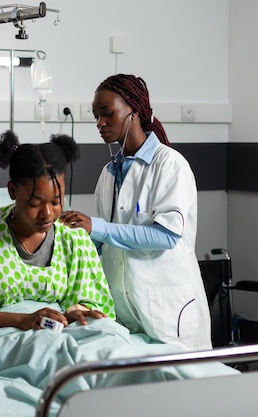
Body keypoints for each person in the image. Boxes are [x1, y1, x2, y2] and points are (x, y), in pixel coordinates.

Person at [60, 74, 212, 351]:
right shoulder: (109, 174)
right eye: (95, 116)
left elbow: (165, 236)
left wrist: (97, 227)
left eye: (108, 114)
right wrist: (73, 238)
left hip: (169, 311)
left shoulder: (169, 165)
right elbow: (110, 239)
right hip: (126, 309)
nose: (100, 123)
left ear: (134, 113)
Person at [0, 131, 115, 336]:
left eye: (56, 202)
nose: (47, 214)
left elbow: (91, 303)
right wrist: (24, 320)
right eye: (35, 203)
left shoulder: (74, 238)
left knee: (109, 342)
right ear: (12, 191)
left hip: (60, 333)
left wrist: (75, 313)